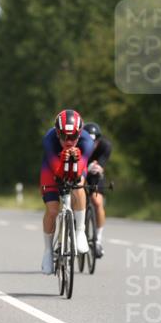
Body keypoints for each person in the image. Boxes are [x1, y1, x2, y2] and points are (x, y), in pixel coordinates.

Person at [40, 109, 94, 274]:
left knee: (78, 185)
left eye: (73, 137)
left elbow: (78, 174)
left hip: (77, 167)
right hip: (51, 169)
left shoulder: (87, 142)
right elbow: (56, 170)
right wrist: (63, 158)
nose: (69, 141)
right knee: (53, 209)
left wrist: (75, 162)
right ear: (57, 133)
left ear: (80, 134)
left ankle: (80, 231)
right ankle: (48, 251)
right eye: (64, 137)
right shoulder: (49, 139)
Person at [83, 122, 111, 258]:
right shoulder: (78, 145)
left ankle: (98, 240)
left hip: (94, 175)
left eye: (94, 142)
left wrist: (98, 167)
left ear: (98, 140)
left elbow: (102, 163)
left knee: (97, 202)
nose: (91, 145)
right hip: (80, 173)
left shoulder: (105, 146)